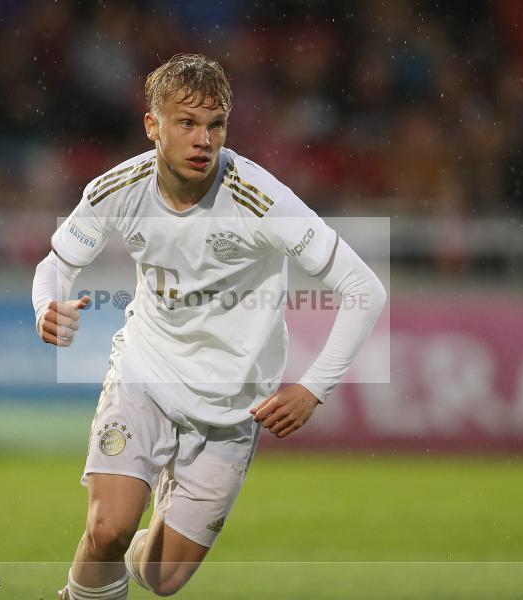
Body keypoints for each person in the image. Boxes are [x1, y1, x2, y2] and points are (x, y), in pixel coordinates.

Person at [31, 53, 386, 599]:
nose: (204, 139)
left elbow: (364, 288)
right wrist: (47, 305)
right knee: (106, 527)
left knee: (161, 578)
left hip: (232, 402)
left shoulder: (260, 198)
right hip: (145, 373)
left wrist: (314, 388)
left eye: (215, 124)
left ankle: (134, 549)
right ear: (153, 126)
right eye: (187, 123)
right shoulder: (119, 189)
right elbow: (56, 264)